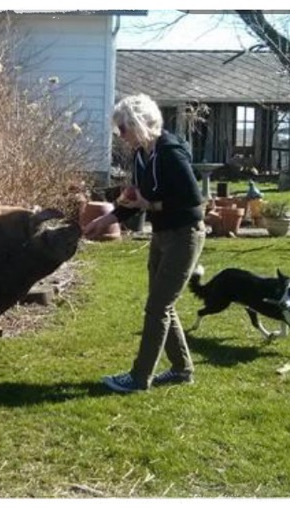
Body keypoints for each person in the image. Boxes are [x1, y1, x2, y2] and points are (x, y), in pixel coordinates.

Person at [83, 93, 206, 393]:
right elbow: (135, 199)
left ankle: (139, 379)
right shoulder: (141, 155)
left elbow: (193, 202)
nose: (120, 136)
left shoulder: (170, 152)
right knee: (163, 305)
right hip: (162, 235)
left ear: (138, 123)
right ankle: (181, 370)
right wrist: (104, 221)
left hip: (185, 235)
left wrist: (148, 204)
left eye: (122, 129)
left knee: (157, 308)